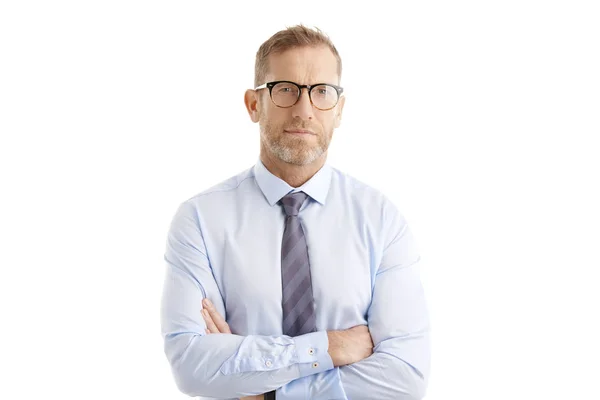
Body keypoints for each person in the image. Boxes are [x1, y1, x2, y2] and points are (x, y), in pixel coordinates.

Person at [160, 25, 431, 400]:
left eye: (322, 92)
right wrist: (331, 347)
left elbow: (405, 377)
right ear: (255, 104)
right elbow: (191, 365)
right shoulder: (200, 220)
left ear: (339, 110)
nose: (304, 110)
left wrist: (263, 392)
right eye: (285, 89)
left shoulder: (381, 220)